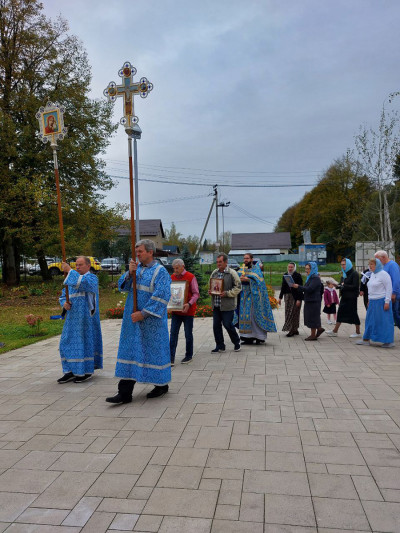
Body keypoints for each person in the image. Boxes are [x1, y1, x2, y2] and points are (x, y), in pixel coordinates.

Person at [106, 239, 171, 404]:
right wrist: (129, 273)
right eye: (136, 252)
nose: (137, 254)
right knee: (130, 351)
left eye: (140, 251)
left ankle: (161, 385)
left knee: (153, 352)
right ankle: (124, 393)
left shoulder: (160, 271)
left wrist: (143, 314)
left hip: (151, 323)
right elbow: (122, 287)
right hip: (132, 321)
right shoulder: (136, 268)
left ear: (150, 252)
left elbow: (161, 296)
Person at [58, 256, 103, 383]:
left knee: (83, 345)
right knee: (65, 344)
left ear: (88, 266)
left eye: (80, 265)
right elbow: (63, 296)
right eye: (75, 265)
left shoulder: (91, 278)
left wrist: (69, 270)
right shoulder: (71, 280)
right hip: (72, 319)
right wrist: (64, 304)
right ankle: (69, 371)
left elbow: (84, 284)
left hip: (86, 320)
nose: (77, 267)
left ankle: (85, 371)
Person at [237, 253, 277, 344]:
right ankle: (247, 337)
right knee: (245, 316)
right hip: (244, 296)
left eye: (247, 258)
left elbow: (260, 283)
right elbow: (236, 279)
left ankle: (259, 337)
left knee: (254, 317)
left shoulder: (256, 269)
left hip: (254, 297)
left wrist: (248, 280)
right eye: (244, 258)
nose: (245, 260)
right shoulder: (241, 269)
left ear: (251, 259)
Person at [356, 258, 394, 348]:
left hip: (382, 301)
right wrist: (369, 299)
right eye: (369, 264)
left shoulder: (384, 274)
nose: (370, 266)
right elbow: (370, 287)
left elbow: (389, 288)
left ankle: (388, 341)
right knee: (370, 320)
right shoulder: (373, 274)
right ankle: (366, 339)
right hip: (372, 301)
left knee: (384, 321)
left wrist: (387, 301)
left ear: (377, 265)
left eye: (372, 264)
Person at [169, 258, 200, 365]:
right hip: (176, 311)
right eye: (174, 268)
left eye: (177, 268)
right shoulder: (172, 277)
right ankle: (171, 358)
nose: (175, 270)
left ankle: (188, 356)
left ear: (183, 266)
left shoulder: (190, 277)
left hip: (188, 311)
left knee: (188, 334)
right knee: (173, 334)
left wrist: (189, 303)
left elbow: (196, 294)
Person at [210, 253, 242, 353]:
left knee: (227, 324)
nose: (218, 264)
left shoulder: (232, 273)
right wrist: (210, 291)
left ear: (226, 262)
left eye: (220, 262)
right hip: (216, 304)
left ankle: (237, 342)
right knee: (216, 326)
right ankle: (220, 346)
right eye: (217, 262)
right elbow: (210, 284)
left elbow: (238, 287)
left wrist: (227, 293)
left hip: (228, 305)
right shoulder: (214, 273)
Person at [326, 258, 361, 338]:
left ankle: (358, 332)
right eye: (341, 264)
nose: (343, 266)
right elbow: (342, 285)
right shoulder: (344, 274)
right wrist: (336, 285)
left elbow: (355, 286)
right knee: (341, 313)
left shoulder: (354, 273)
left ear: (348, 264)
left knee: (354, 314)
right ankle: (335, 331)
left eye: (344, 264)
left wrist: (343, 285)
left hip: (351, 297)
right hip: (345, 296)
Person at [292, 262, 324, 341]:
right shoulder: (310, 277)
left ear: (312, 269)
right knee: (312, 316)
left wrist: (298, 287)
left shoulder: (315, 278)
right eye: (305, 269)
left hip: (313, 301)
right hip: (310, 300)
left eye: (308, 269)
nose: (306, 270)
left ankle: (313, 335)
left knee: (312, 317)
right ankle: (319, 329)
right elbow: (307, 288)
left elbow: (310, 289)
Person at [374, 250, 400, 329]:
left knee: (396, 314)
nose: (376, 261)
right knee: (392, 315)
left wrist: (394, 293)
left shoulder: (392, 265)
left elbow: (396, 280)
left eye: (377, 259)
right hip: (387, 295)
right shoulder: (384, 266)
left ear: (383, 257)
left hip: (393, 295)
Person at [278, 262, 303, 337]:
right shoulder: (285, 275)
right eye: (289, 267)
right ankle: (293, 329)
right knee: (288, 313)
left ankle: (293, 330)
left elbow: (300, 288)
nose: (290, 268)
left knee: (295, 313)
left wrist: (299, 299)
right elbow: (283, 287)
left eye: (291, 267)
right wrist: (280, 297)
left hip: (295, 297)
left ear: (294, 267)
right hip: (287, 296)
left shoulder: (298, 275)